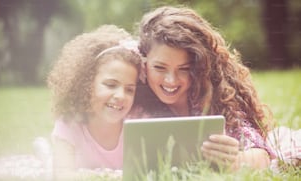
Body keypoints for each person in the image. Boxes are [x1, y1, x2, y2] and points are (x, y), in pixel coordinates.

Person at [132, 6, 276, 171]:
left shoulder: (212, 97)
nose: (171, 80)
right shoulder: (133, 93)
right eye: (159, 67)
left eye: (184, 69)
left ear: (198, 67)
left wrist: (236, 160)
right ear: (143, 62)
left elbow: (262, 156)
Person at [47, 24, 141, 179]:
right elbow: (62, 175)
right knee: (48, 164)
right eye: (111, 85)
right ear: (87, 84)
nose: (120, 95)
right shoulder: (70, 123)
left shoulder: (138, 120)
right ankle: (44, 152)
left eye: (129, 89)